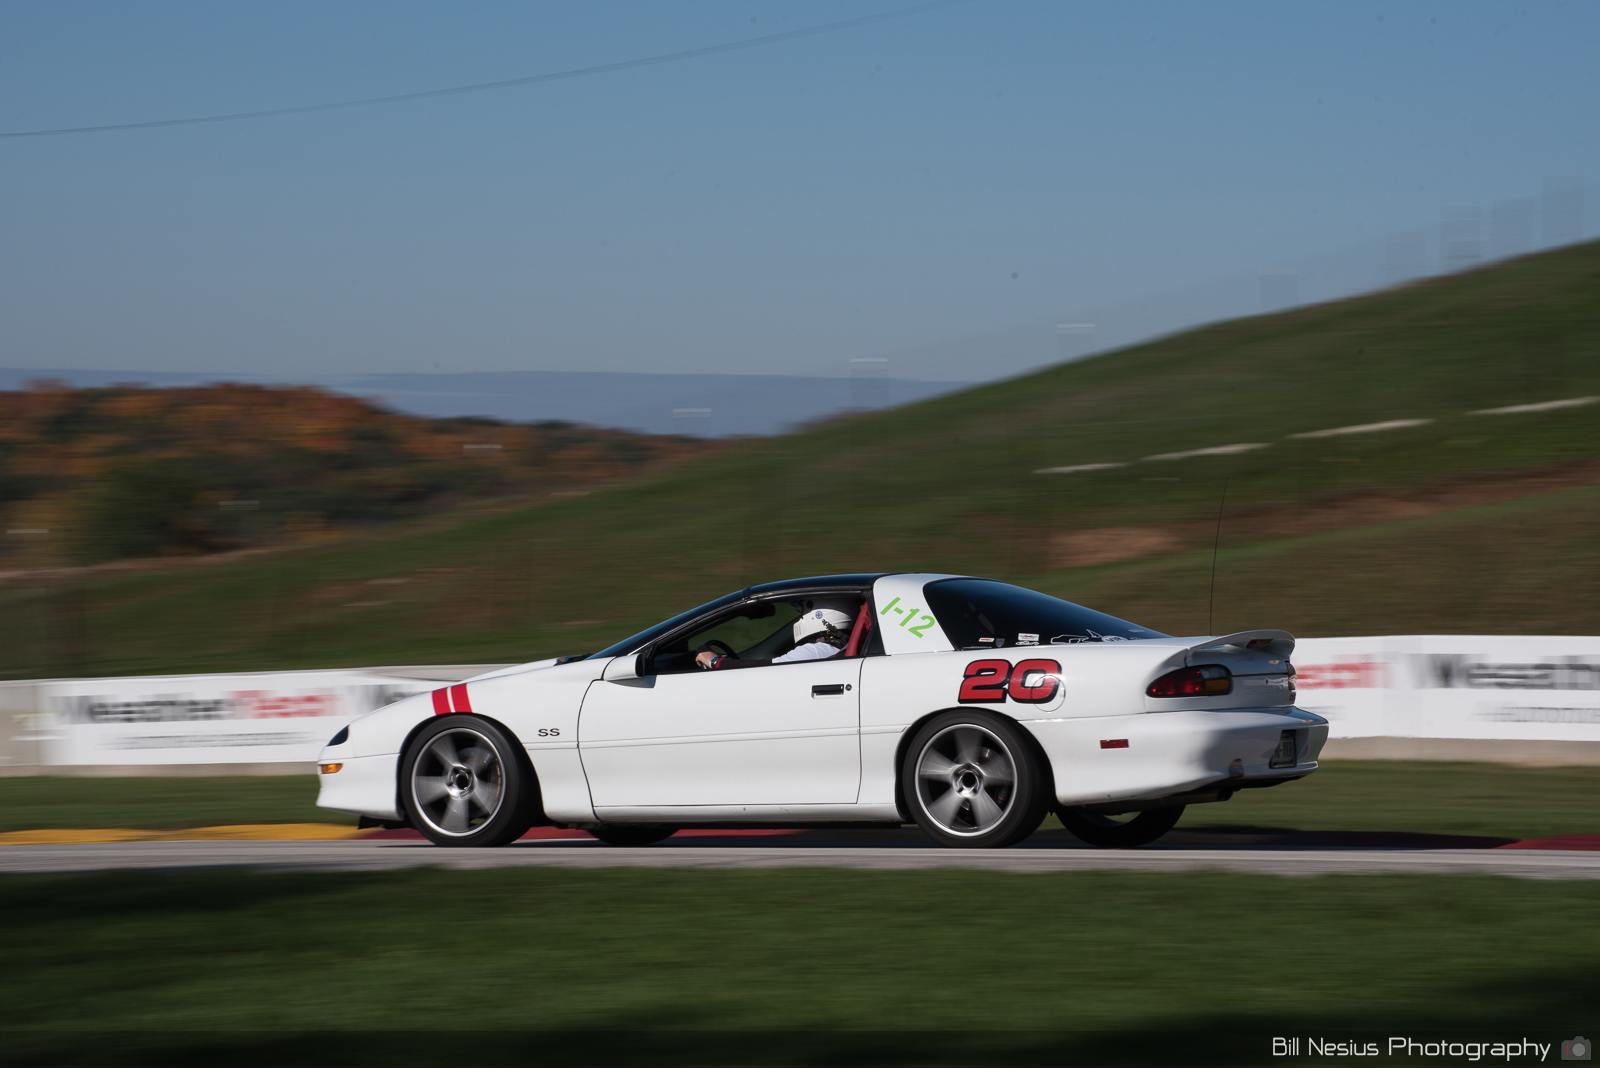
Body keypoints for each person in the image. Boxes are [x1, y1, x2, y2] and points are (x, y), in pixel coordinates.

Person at [695, 601, 856, 670]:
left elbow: (765, 670)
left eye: (803, 611)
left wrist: (715, 661)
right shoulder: (841, 646)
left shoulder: (817, 651)